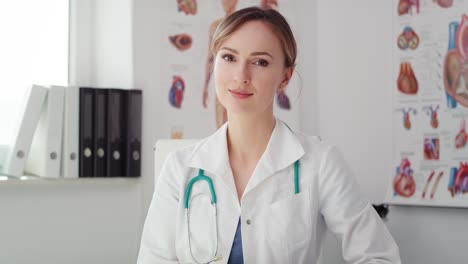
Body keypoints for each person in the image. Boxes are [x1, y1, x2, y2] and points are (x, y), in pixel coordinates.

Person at [138, 7, 401, 264]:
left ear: (285, 77)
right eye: (229, 57)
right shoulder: (179, 168)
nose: (241, 76)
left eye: (260, 62)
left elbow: (378, 256)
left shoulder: (320, 163)